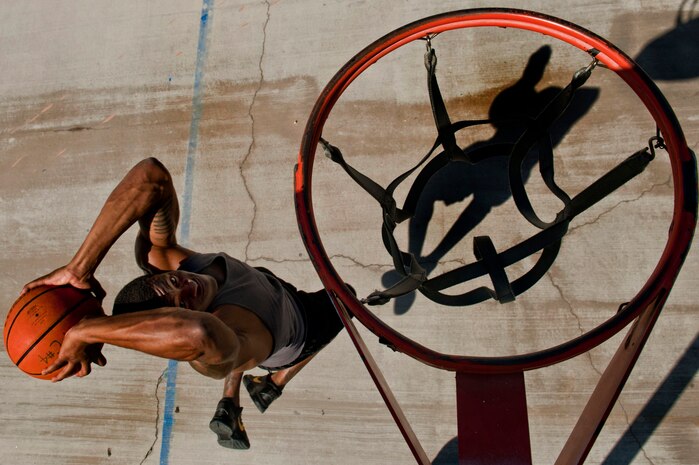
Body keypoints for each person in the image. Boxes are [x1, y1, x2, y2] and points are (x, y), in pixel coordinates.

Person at [21, 157, 352, 450]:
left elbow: (151, 176)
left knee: (245, 308)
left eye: (172, 281)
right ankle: (273, 383)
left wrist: (80, 267)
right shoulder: (215, 336)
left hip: (270, 288)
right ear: (181, 316)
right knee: (345, 297)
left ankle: (240, 395)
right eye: (185, 304)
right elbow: (199, 333)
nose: (189, 286)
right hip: (300, 329)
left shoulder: (168, 261)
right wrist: (87, 331)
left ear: (156, 274)